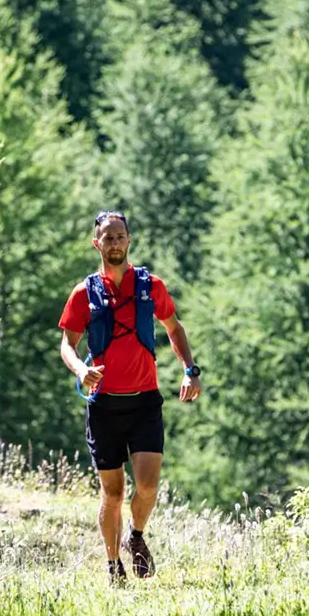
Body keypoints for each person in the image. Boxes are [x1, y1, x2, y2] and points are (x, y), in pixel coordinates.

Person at [58, 211, 201, 584]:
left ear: (129, 240)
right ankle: (112, 565)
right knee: (113, 491)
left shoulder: (151, 286)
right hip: (104, 405)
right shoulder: (83, 293)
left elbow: (174, 327)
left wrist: (189, 369)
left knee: (149, 485)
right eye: (108, 238)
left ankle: (135, 537)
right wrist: (80, 370)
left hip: (144, 402)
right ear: (97, 243)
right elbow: (67, 344)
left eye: (121, 236)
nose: (115, 243)